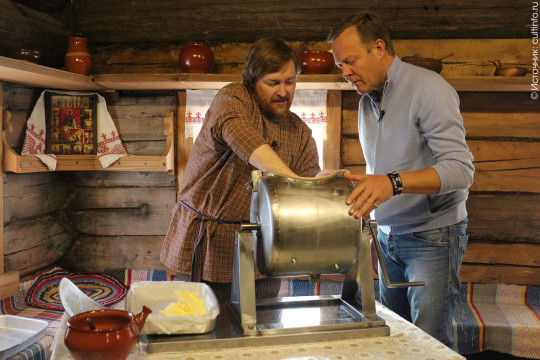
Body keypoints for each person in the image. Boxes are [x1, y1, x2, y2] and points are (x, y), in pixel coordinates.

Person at [328, 13, 474, 347]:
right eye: (340, 66)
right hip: (386, 238)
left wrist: (390, 182)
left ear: (379, 48)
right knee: (393, 337)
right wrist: (365, 190)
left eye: (350, 61)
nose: (345, 72)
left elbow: (461, 169)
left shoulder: (428, 88)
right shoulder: (367, 100)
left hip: (432, 237)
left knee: (428, 344)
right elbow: (386, 170)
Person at [160, 37, 321, 303]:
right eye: (273, 83)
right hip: (207, 245)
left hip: (264, 251)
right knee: (202, 334)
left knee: (263, 332)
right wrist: (294, 180)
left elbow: (309, 179)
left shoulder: (299, 131)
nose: (283, 92)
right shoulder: (233, 98)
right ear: (252, 81)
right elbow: (242, 137)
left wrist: (319, 183)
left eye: (290, 82)